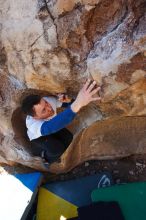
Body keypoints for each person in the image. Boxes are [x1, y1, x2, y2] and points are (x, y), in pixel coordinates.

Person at [21, 79, 101, 165]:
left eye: (46, 103)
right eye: (43, 110)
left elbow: (68, 104)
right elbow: (49, 128)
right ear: (35, 117)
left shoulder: (47, 100)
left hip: (53, 125)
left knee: (68, 137)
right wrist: (77, 103)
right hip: (39, 136)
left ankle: (57, 154)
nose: (49, 108)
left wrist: (68, 100)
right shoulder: (32, 124)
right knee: (56, 150)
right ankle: (47, 159)